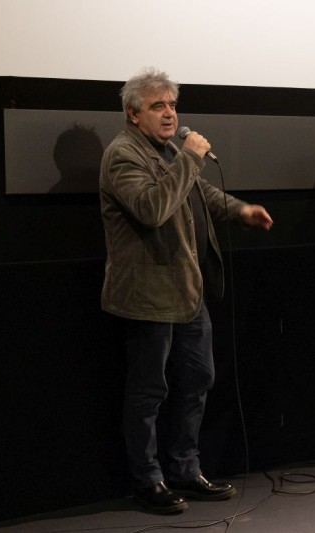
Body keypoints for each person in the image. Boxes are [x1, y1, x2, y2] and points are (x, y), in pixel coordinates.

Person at [100, 67, 273, 514]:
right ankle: (148, 479)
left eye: (173, 105)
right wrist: (190, 158)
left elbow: (203, 197)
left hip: (187, 291)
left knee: (198, 379)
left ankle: (184, 467)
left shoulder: (171, 151)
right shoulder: (123, 155)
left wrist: (242, 210)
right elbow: (153, 208)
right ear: (133, 113)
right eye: (158, 106)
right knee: (149, 391)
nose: (169, 114)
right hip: (147, 296)